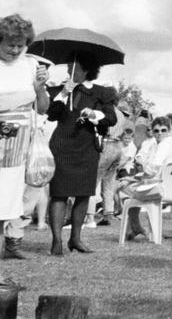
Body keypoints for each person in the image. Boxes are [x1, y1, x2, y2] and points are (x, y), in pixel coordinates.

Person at [45, 53, 117, 256]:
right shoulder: (61, 89)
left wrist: (93, 115)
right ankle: (57, 240)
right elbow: (52, 116)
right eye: (68, 67)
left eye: (72, 67)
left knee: (84, 193)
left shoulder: (102, 93)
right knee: (59, 193)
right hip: (62, 147)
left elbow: (111, 119)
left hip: (87, 148)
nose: (69, 70)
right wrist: (63, 95)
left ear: (85, 70)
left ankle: (76, 238)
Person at [0, 14, 50, 260]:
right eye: (10, 44)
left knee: (6, 206)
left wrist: (40, 88)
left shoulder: (30, 65)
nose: (15, 49)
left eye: (21, 45)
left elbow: (42, 108)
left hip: (18, 151)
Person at [118, 116, 172, 241]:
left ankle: (135, 226)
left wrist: (133, 178)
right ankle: (135, 226)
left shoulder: (165, 145)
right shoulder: (159, 144)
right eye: (156, 131)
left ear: (168, 131)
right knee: (128, 187)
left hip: (162, 188)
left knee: (122, 188)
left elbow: (151, 170)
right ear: (152, 131)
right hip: (167, 186)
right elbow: (149, 168)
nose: (160, 133)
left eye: (163, 130)